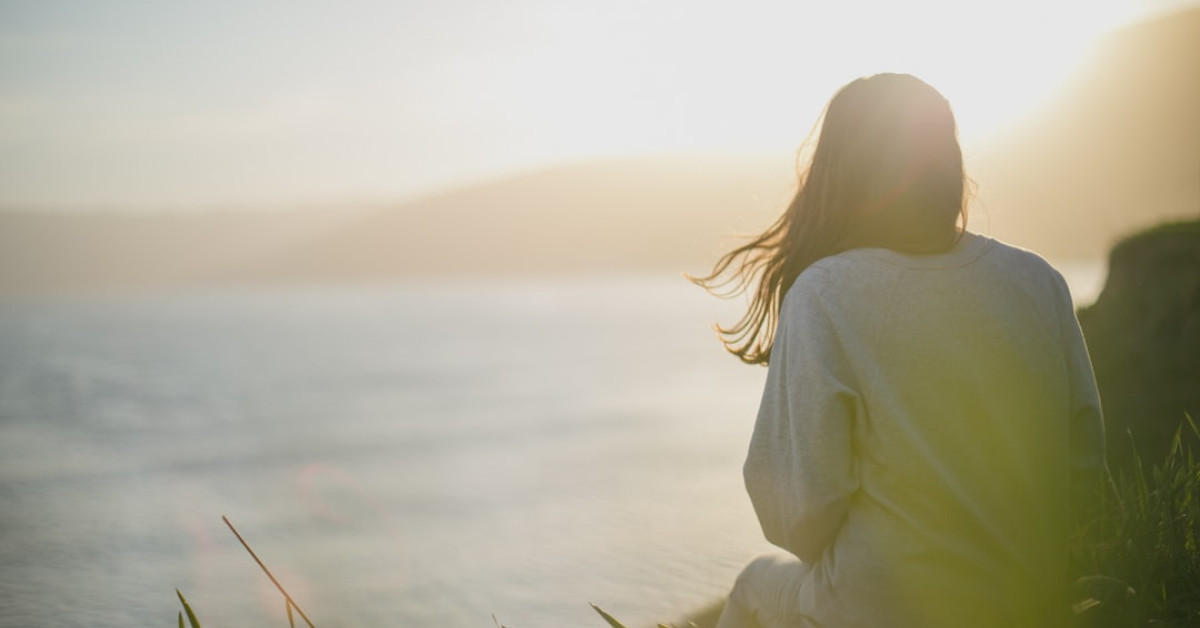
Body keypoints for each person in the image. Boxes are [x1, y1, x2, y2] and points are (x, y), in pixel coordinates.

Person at [692, 73, 1107, 628]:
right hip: (1026, 597)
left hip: (884, 604)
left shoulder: (825, 291)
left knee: (751, 588)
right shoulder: (1037, 280)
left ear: (838, 173)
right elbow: (1083, 467)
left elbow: (797, 515)